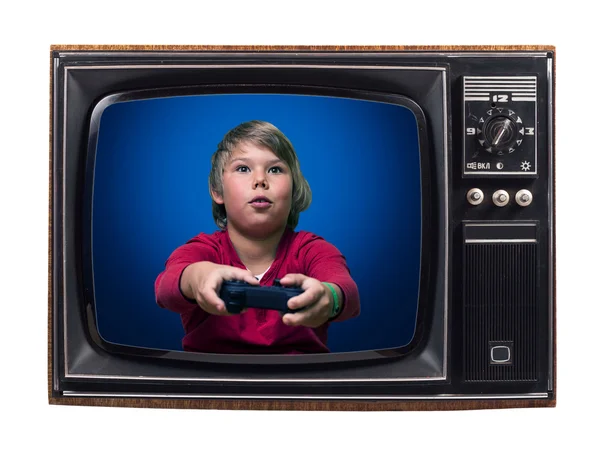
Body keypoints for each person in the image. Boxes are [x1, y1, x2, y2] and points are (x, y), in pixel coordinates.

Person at [154, 120, 360, 354]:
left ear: (294, 191)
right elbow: (165, 288)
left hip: (299, 384)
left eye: (275, 169)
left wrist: (328, 297)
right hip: (210, 386)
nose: (260, 180)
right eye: (243, 168)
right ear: (217, 191)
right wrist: (196, 278)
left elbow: (348, 293)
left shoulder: (313, 250)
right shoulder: (202, 250)